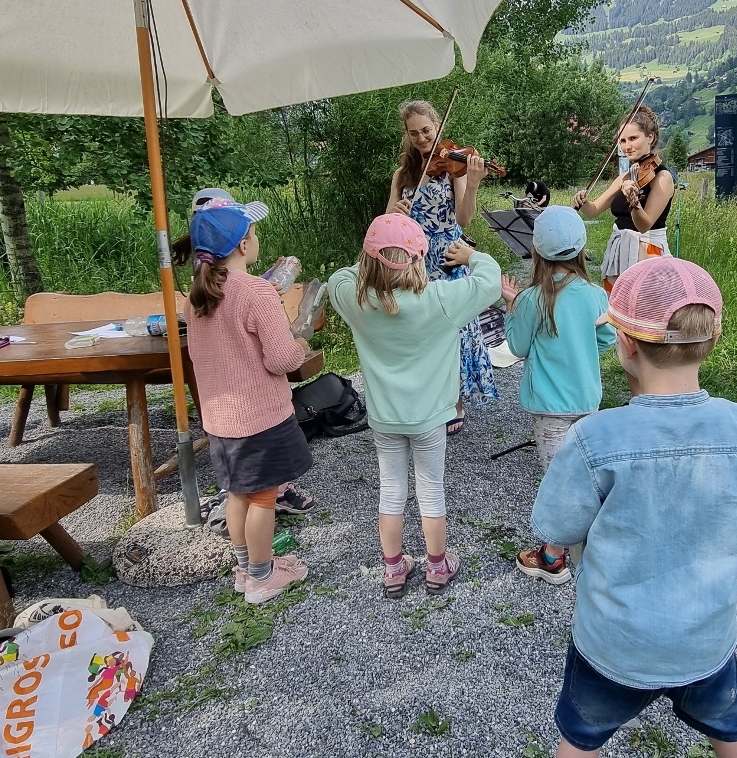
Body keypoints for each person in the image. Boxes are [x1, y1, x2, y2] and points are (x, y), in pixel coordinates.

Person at [531, 257, 737, 758]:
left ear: (626, 345)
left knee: (578, 742)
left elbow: (553, 524)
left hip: (615, 643)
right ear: (712, 339)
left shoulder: (594, 437)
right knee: (731, 733)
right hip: (705, 640)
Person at [328, 213, 502, 598]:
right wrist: (472, 254)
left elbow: (337, 277)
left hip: (385, 418)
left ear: (369, 260)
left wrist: (375, 260)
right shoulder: (439, 299)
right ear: (420, 258)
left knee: (391, 489)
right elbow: (489, 283)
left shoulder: (355, 299)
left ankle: (393, 569)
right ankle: (437, 565)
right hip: (430, 418)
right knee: (431, 488)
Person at [184, 199, 316, 604]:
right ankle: (262, 577)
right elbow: (280, 359)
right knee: (263, 497)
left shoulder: (196, 294)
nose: (255, 239)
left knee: (238, 493)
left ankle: (246, 568)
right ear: (243, 245)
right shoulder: (256, 291)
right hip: (259, 417)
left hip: (220, 420)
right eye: (253, 234)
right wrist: (301, 342)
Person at [498, 206, 615, 585]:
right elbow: (607, 338)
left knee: (558, 481)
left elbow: (516, 345)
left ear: (536, 251)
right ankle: (588, 543)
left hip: (550, 408)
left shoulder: (532, 298)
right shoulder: (595, 295)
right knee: (585, 473)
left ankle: (552, 557)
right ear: (582, 248)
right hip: (587, 400)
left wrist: (511, 306)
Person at [387, 100, 497, 436]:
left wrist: (474, 182)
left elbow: (463, 219)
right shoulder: (403, 174)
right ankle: (428, 393)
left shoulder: (452, 166)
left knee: (453, 328)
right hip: (413, 259)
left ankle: (455, 399)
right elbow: (388, 217)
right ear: (407, 135)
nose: (421, 137)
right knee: (421, 327)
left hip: (448, 252)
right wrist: (399, 211)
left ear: (437, 127)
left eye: (426, 130)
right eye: (414, 132)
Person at [572, 105, 675, 292]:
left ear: (650, 137)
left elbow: (644, 225)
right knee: (616, 310)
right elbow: (593, 210)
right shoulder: (625, 177)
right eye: (622, 141)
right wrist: (583, 201)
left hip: (647, 250)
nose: (627, 146)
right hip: (620, 249)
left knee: (642, 309)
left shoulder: (662, 178)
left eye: (633, 138)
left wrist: (634, 202)